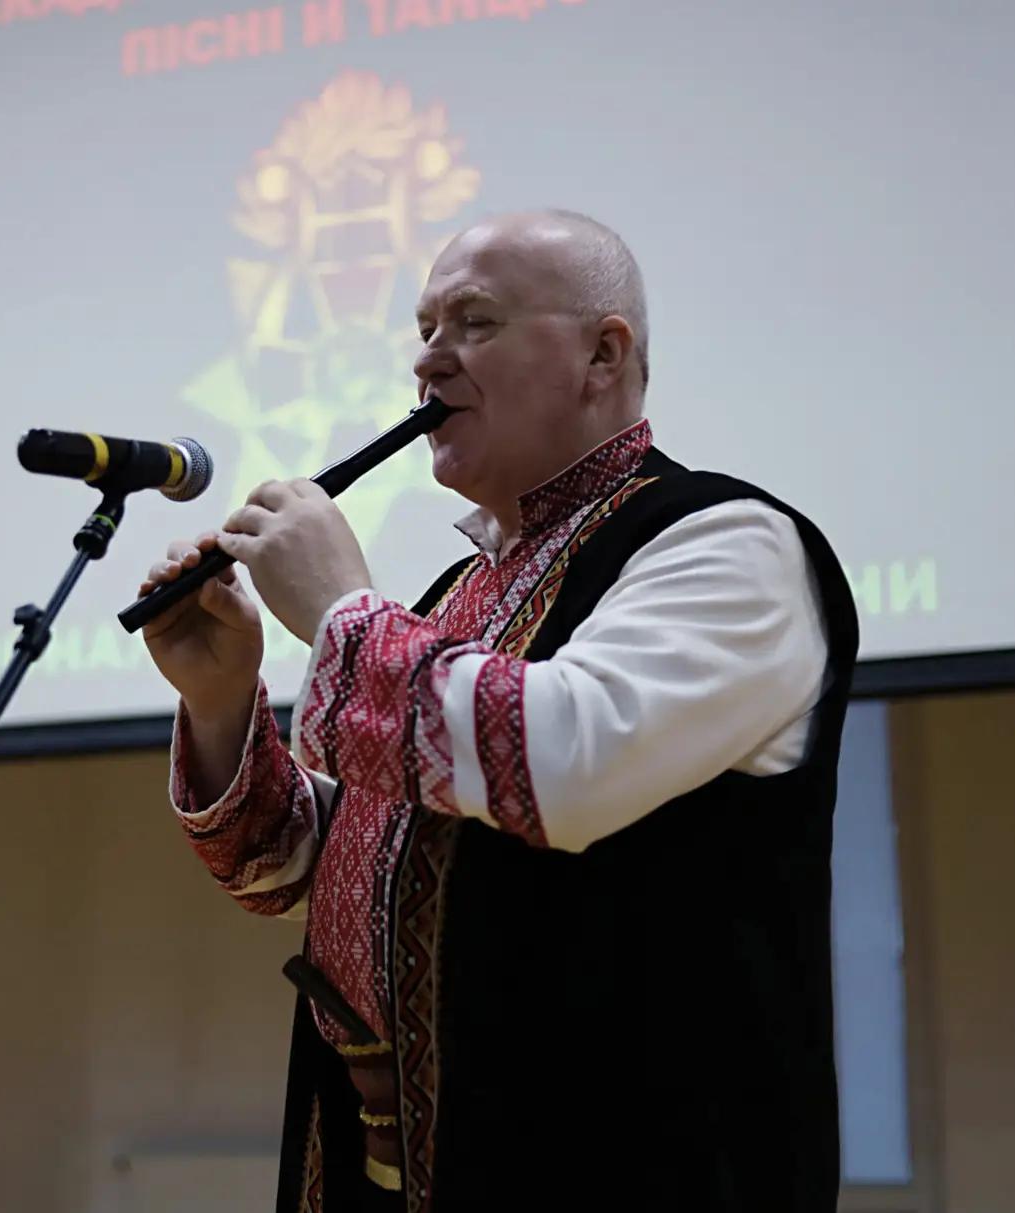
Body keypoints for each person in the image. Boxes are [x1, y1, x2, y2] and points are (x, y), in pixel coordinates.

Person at [136, 209, 859, 1212]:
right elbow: (308, 868)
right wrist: (221, 700)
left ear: (602, 354)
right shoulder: (456, 593)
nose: (428, 360)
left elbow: (561, 764)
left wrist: (342, 609)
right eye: (424, 330)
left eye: (473, 322)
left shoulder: (729, 543)